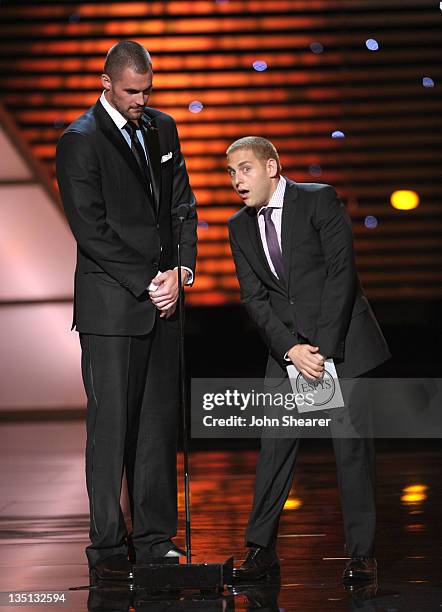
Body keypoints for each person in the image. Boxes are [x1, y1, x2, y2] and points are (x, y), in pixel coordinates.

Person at [56, 41, 197, 581]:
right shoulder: (80, 141)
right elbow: (90, 229)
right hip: (112, 309)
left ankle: (156, 539)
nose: (142, 100)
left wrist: (180, 273)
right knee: (111, 428)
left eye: (148, 90)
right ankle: (109, 550)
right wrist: (146, 281)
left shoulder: (163, 128)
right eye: (133, 91)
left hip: (163, 301)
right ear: (108, 83)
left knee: (157, 427)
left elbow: (183, 205)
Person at [226, 136, 391, 583]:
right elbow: (254, 298)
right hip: (288, 351)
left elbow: (342, 273)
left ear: (272, 167)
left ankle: (362, 554)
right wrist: (290, 350)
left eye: (245, 169)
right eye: (232, 173)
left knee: (351, 450)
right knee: (274, 448)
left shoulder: (318, 201)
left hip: (339, 343)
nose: (237, 181)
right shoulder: (238, 226)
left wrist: (320, 348)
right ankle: (260, 549)